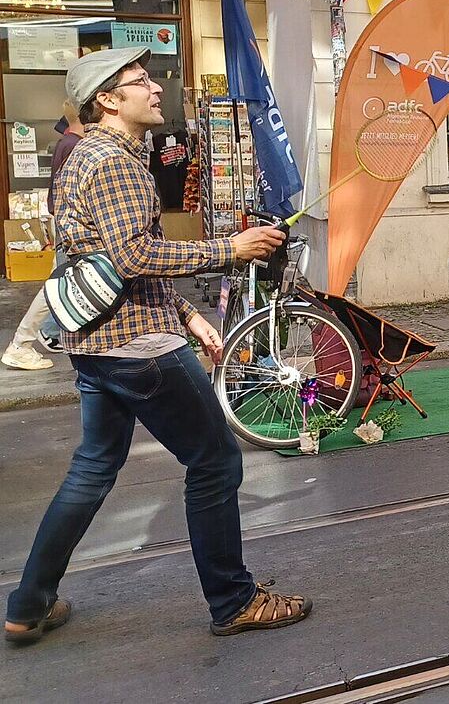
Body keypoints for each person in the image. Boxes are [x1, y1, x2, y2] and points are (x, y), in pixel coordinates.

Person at [5, 48, 309, 645]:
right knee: (217, 460)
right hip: (138, 347)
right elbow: (131, 257)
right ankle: (233, 600)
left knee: (93, 470)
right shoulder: (114, 162)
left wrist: (190, 312)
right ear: (107, 101)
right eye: (138, 81)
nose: (154, 87)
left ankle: (29, 601)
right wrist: (230, 250)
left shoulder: (92, 155)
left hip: (97, 343)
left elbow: (109, 256)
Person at [2, 105, 84, 371]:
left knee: (58, 281)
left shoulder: (67, 143)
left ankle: (32, 338)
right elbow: (67, 194)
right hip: (69, 225)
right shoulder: (74, 145)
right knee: (57, 283)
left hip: (64, 223)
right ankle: (22, 343)